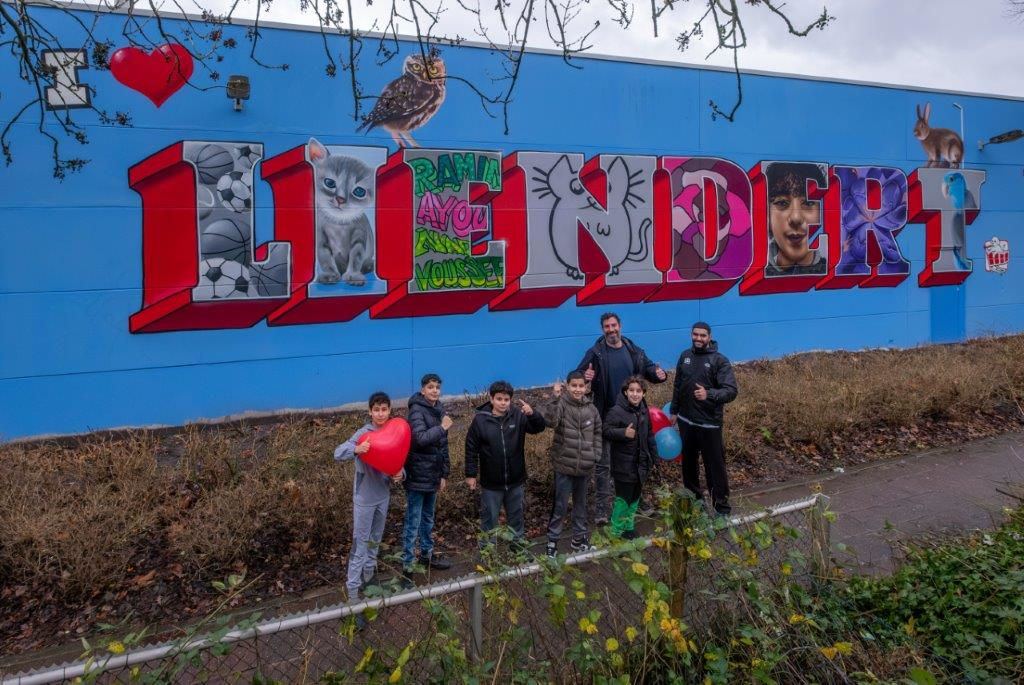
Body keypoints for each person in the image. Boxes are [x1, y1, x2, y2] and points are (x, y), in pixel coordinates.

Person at [576, 312, 667, 524]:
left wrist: (658, 374)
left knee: (634, 460)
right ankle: (601, 510)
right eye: (607, 327)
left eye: (614, 325)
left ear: (620, 326)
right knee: (604, 465)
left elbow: (648, 369)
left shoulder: (633, 349)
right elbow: (578, 375)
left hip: (633, 416)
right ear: (603, 330)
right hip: (605, 418)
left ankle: (638, 500)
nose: (611, 330)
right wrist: (585, 377)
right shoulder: (596, 353)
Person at [333, 391, 405, 602]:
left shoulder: (395, 430)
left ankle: (369, 578)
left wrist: (402, 473)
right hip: (364, 500)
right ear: (370, 411)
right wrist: (357, 448)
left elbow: (399, 461)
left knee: (375, 541)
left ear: (390, 410)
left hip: (383, 496)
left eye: (384, 410)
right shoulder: (363, 433)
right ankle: (353, 595)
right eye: (376, 410)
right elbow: (337, 453)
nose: (381, 414)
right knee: (360, 544)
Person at [465, 380, 546, 551]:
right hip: (491, 483)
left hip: (515, 479)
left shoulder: (517, 415)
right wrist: (471, 474)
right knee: (489, 520)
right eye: (499, 399)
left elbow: (538, 428)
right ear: (491, 399)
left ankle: (518, 549)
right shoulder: (480, 420)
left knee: (516, 518)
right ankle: (487, 554)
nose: (503, 403)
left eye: (506, 399)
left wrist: (532, 414)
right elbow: (471, 447)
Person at [669, 322, 739, 516]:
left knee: (714, 468)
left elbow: (731, 391)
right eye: (695, 335)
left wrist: (708, 394)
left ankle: (722, 510)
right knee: (689, 467)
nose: (698, 338)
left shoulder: (719, 361)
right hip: (686, 422)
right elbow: (677, 385)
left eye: (702, 335)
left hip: (709, 425)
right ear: (691, 335)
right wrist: (674, 410)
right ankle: (695, 505)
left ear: (709, 337)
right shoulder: (685, 356)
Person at [542, 371, 603, 556]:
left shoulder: (591, 408)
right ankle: (552, 543)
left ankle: (579, 539)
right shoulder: (561, 404)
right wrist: (554, 398)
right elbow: (551, 422)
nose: (577, 389)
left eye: (581, 386)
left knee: (581, 505)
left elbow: (598, 432)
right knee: (560, 506)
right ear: (568, 386)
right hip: (564, 466)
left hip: (584, 467)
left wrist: (596, 455)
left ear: (586, 387)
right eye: (574, 386)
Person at [403, 373, 454, 574]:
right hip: (417, 475)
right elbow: (420, 439)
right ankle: (407, 566)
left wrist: (444, 474)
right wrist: (442, 428)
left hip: (433, 474)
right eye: (431, 387)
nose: (435, 390)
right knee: (412, 522)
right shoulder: (416, 411)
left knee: (428, 520)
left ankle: (426, 556)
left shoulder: (438, 409)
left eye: (437, 387)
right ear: (423, 390)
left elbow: (443, 445)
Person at [603, 376, 657, 539]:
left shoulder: (643, 411)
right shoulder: (616, 411)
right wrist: (622, 433)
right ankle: (616, 533)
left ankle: (628, 527)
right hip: (623, 466)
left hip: (640, 465)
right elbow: (605, 431)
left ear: (644, 394)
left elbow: (649, 436)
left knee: (634, 498)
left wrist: (653, 458)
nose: (635, 394)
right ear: (626, 392)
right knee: (623, 500)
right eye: (631, 390)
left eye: (638, 391)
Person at [765, 162, 828, 277]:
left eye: (808, 203)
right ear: (767, 214)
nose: (796, 218)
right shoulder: (755, 274)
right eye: (782, 202)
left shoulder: (832, 270)